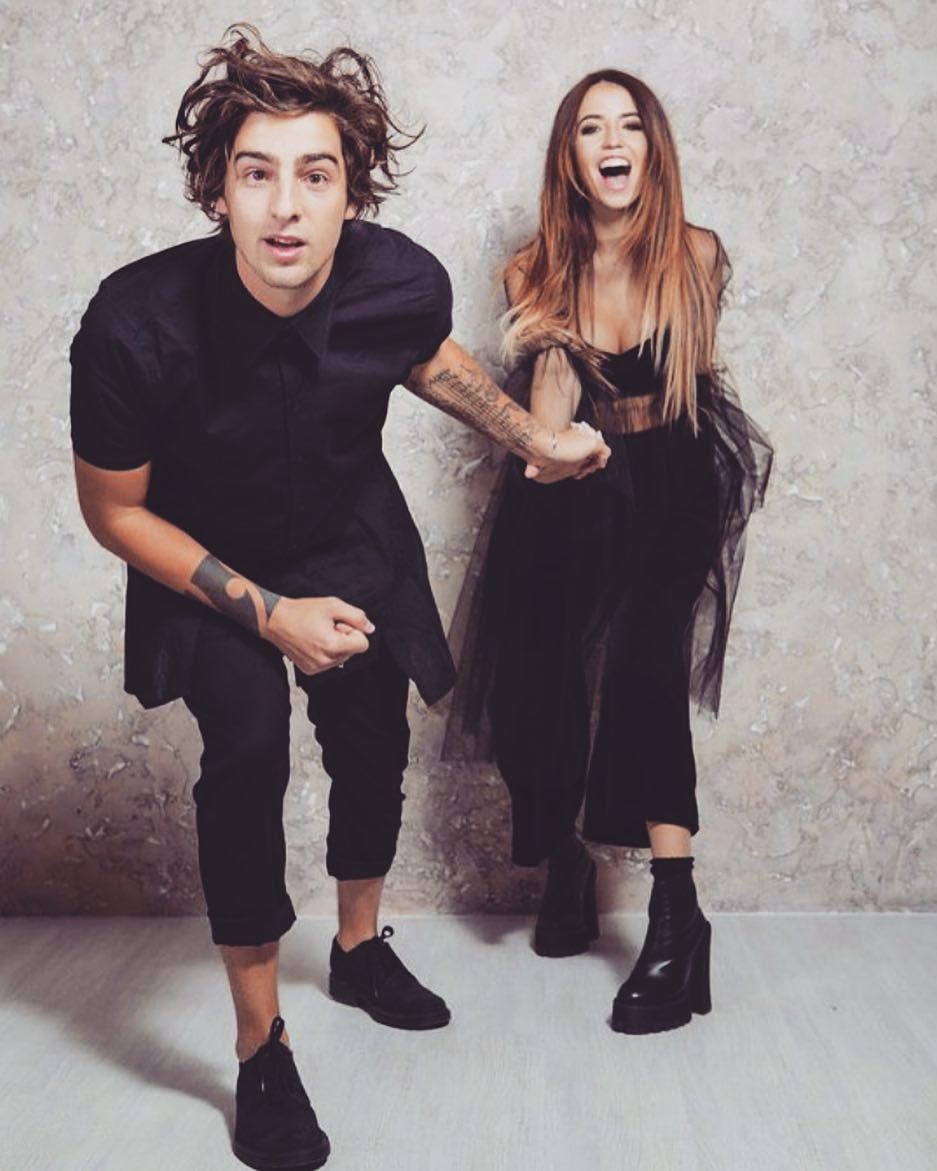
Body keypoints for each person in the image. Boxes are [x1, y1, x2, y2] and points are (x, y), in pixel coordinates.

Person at [69, 26, 608, 1171]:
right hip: (200, 546)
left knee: (371, 738)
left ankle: (359, 948)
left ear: (350, 195)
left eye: (315, 175)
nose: (285, 205)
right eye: (255, 172)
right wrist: (267, 613)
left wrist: (534, 439)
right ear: (215, 190)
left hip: (342, 523)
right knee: (249, 741)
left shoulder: (398, 278)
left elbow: (428, 358)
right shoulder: (130, 323)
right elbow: (115, 512)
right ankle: (262, 1045)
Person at [444, 69, 772, 1035]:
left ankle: (677, 914)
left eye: (629, 125)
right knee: (532, 677)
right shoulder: (532, 268)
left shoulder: (696, 254)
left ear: (652, 148)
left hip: (671, 478)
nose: (612, 141)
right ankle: (565, 863)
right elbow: (549, 424)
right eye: (591, 128)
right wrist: (550, 404)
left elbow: (680, 394)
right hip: (573, 477)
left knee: (641, 661)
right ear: (570, 157)